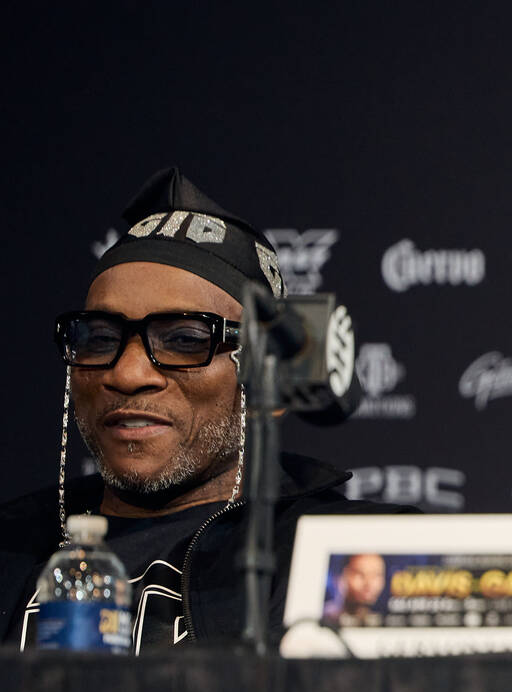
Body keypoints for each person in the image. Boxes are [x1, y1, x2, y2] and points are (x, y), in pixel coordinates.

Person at [0, 167, 409, 653]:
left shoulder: (354, 555)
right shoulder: (10, 544)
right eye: (101, 338)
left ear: (267, 380)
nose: (128, 374)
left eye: (185, 340)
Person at [324, 553, 388, 627]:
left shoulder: (380, 620)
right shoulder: (328, 617)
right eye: (360, 574)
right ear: (343, 576)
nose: (369, 584)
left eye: (376, 575)